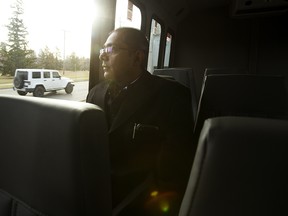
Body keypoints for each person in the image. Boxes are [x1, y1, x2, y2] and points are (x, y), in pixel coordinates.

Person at [86, 27, 194, 215]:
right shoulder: (95, 93)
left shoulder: (173, 96)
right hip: (92, 193)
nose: (102, 56)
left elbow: (172, 172)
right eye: (103, 50)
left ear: (137, 57)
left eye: (111, 49)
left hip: (142, 202)